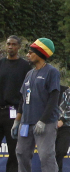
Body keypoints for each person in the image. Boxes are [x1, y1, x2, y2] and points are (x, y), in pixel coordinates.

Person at [14, 38, 60, 172]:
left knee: (46, 156)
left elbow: (53, 98)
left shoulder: (52, 72)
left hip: (45, 123)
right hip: (26, 122)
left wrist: (43, 121)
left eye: (30, 52)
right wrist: (17, 121)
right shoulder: (29, 73)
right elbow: (23, 99)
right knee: (21, 153)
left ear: (40, 54)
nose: (27, 55)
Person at [0, 36, 32, 172]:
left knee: (13, 151)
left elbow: (27, 91)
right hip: (0, 110)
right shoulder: (1, 63)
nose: (10, 47)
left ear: (19, 47)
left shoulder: (25, 66)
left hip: (15, 113)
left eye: (13, 44)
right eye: (8, 44)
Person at [55, 84, 70, 172]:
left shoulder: (66, 91)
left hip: (66, 126)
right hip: (50, 126)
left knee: (61, 151)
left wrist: (62, 120)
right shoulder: (45, 90)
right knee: (49, 154)